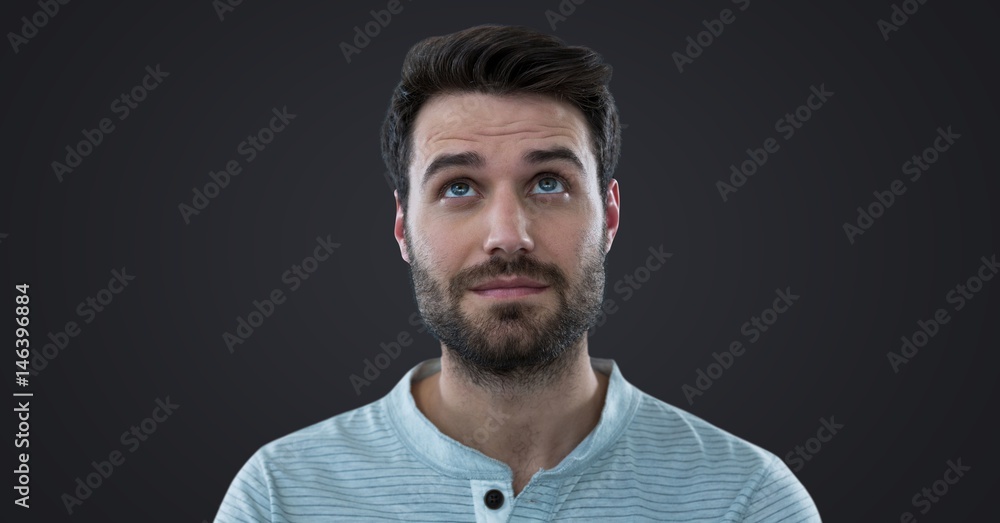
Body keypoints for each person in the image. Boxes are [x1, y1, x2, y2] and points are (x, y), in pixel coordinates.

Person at [215, 24, 822, 522]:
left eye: (549, 182)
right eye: (458, 187)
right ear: (403, 228)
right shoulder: (280, 497)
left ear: (609, 216)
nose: (508, 235)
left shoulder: (748, 500)